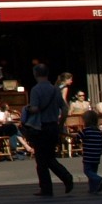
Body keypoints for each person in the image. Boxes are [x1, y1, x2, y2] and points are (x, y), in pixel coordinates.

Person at [21, 64, 74, 196]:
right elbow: (65, 108)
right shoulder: (55, 89)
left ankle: (52, 185)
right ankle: (63, 178)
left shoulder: (36, 90)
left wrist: (27, 109)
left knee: (41, 159)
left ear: (35, 74)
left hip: (40, 127)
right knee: (49, 156)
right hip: (53, 125)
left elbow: (35, 108)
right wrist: (60, 123)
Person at [78, 108, 102, 194]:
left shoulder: (86, 131)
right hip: (96, 155)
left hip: (88, 156)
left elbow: (78, 138)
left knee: (88, 171)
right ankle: (93, 188)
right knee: (93, 171)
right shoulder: (98, 131)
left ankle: (99, 179)